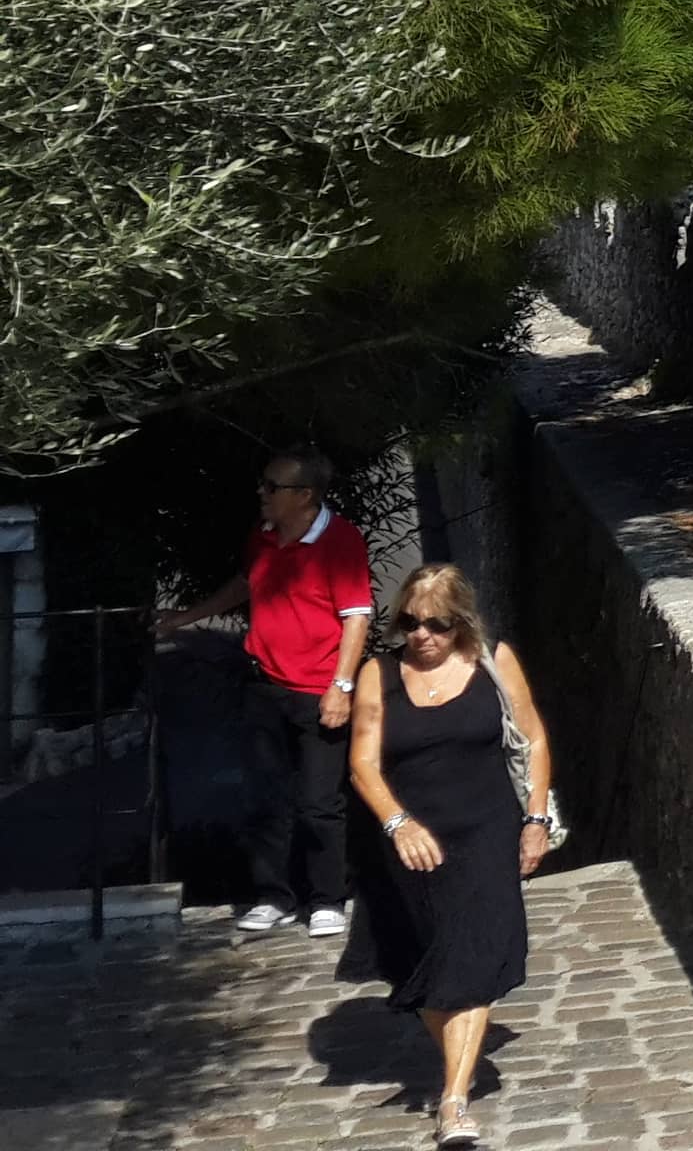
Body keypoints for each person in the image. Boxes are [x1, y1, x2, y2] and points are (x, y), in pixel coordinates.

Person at [346, 564, 553, 1149]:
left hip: (487, 833)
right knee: (426, 965)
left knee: (471, 960)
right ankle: (460, 1053)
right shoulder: (378, 675)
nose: (421, 635)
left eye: (435, 624)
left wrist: (536, 818)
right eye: (409, 622)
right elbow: (363, 761)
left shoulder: (494, 661)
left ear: (460, 622)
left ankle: (453, 1100)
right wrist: (397, 821)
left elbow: (532, 737)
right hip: (408, 840)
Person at [157, 448, 375, 936]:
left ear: (304, 496)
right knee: (263, 796)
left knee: (319, 802)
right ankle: (273, 896)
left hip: (318, 691)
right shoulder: (263, 536)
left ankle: (327, 900)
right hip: (264, 684)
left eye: (272, 487)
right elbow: (246, 583)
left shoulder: (340, 541)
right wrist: (184, 617)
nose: (262, 493)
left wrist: (341, 687)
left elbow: (357, 616)